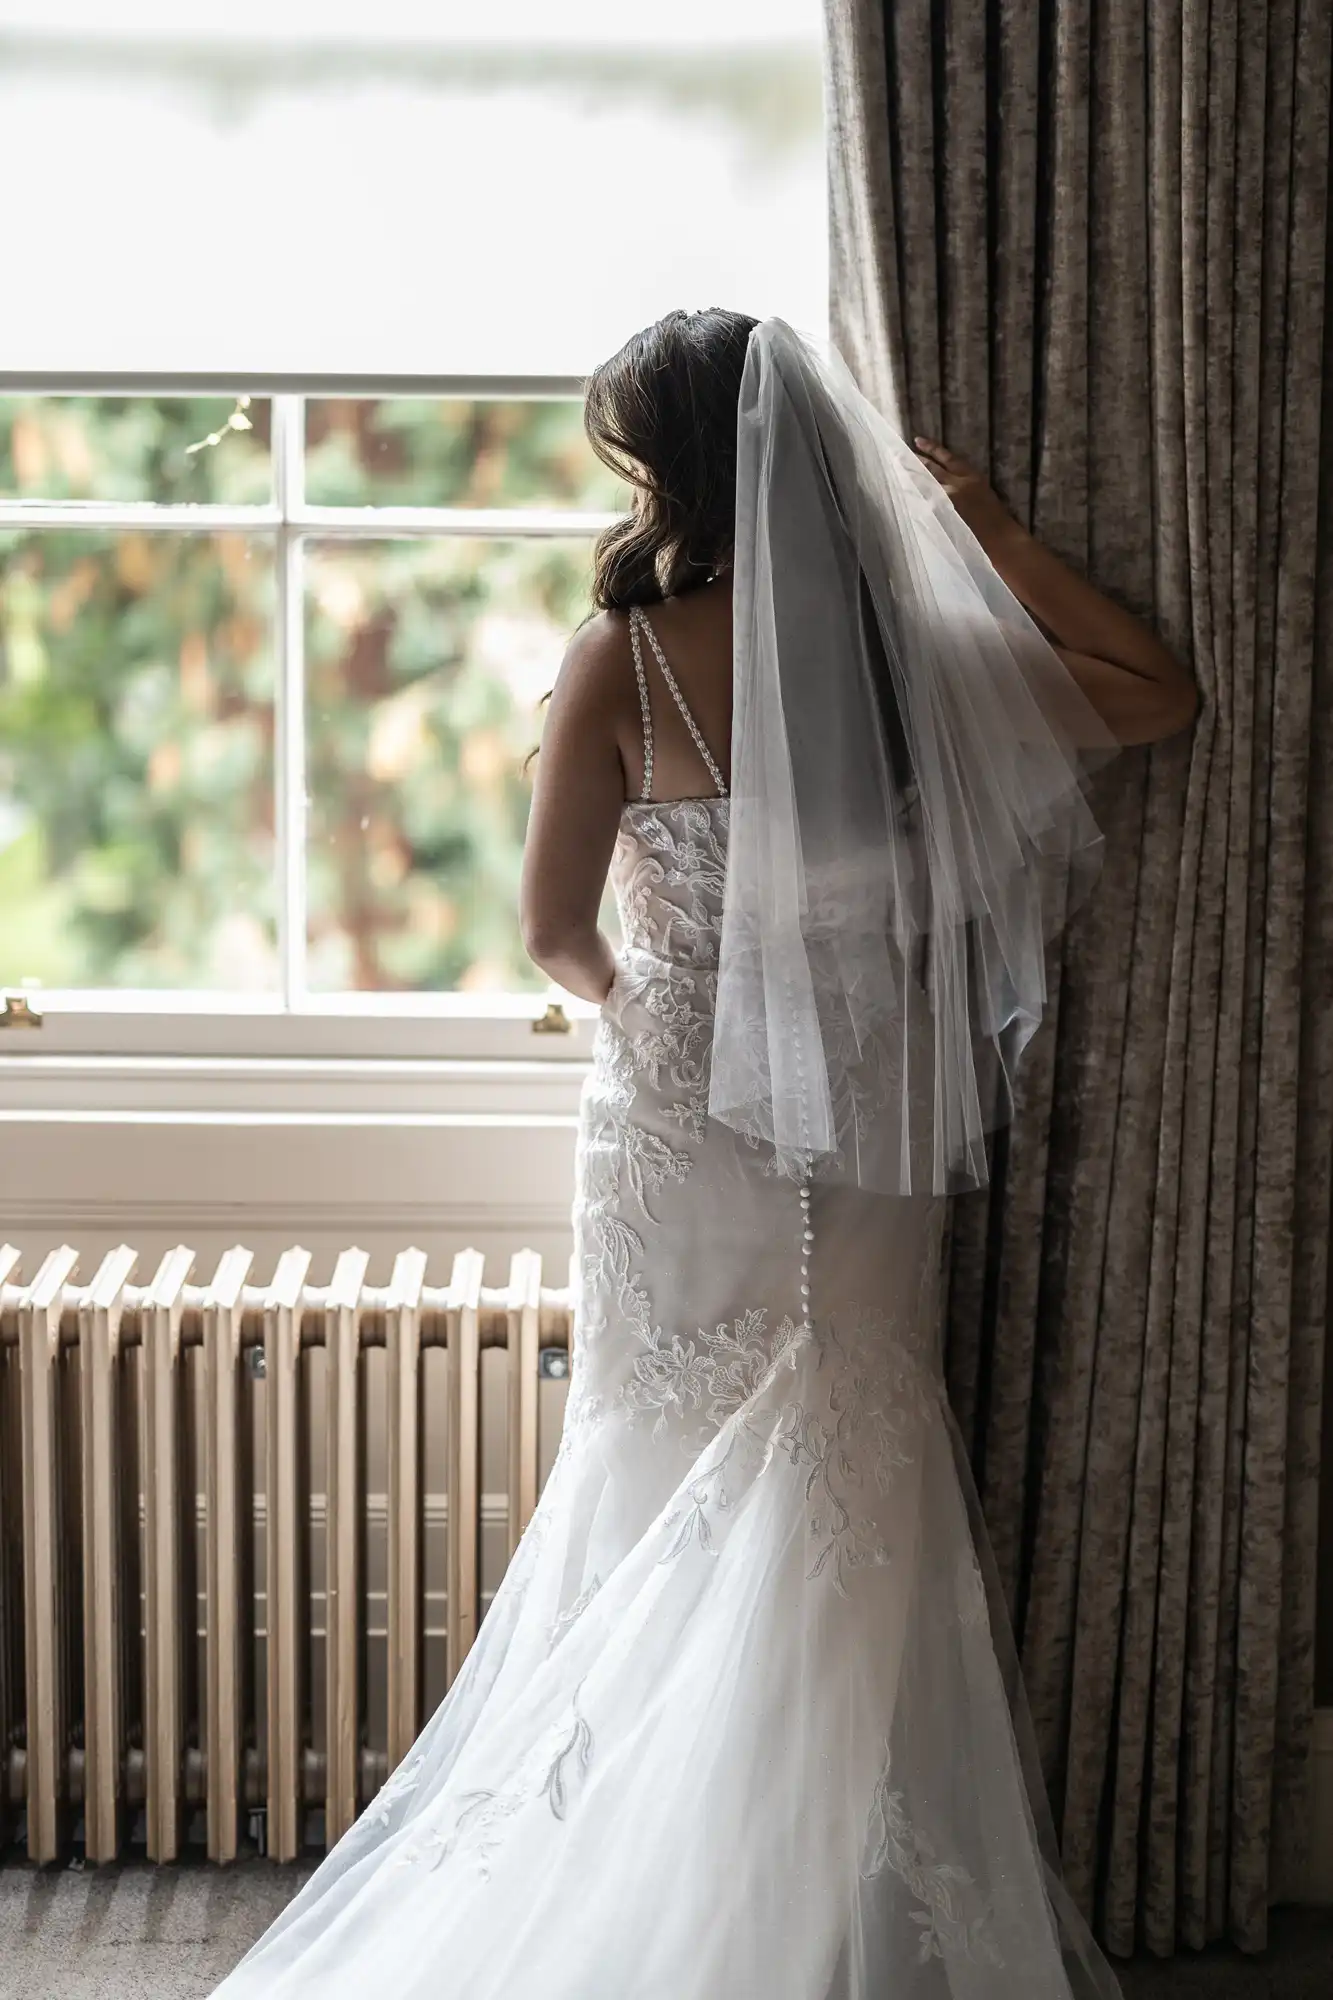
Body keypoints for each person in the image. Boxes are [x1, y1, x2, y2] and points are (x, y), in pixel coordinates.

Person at [211, 312, 1196, 1998]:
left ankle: (635, 1900)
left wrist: (667, 1018)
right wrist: (997, 532)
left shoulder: (630, 656)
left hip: (681, 1127)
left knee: (652, 1465)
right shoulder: (915, 662)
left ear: (663, 466)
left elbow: (550, 933)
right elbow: (1158, 693)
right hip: (874, 1125)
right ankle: (808, 1915)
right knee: (849, 1479)